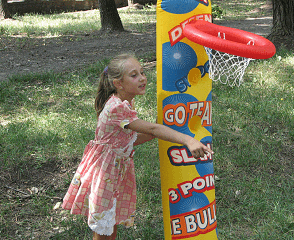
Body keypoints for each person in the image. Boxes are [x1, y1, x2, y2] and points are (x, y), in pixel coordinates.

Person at [61, 53, 214, 240]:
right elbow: (152, 128)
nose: (142, 78)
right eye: (134, 75)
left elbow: (133, 137)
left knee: (110, 222)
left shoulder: (126, 102)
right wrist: (188, 140)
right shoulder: (117, 108)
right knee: (102, 227)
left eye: (142, 72)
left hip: (115, 169)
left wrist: (155, 131)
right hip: (105, 172)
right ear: (118, 83)